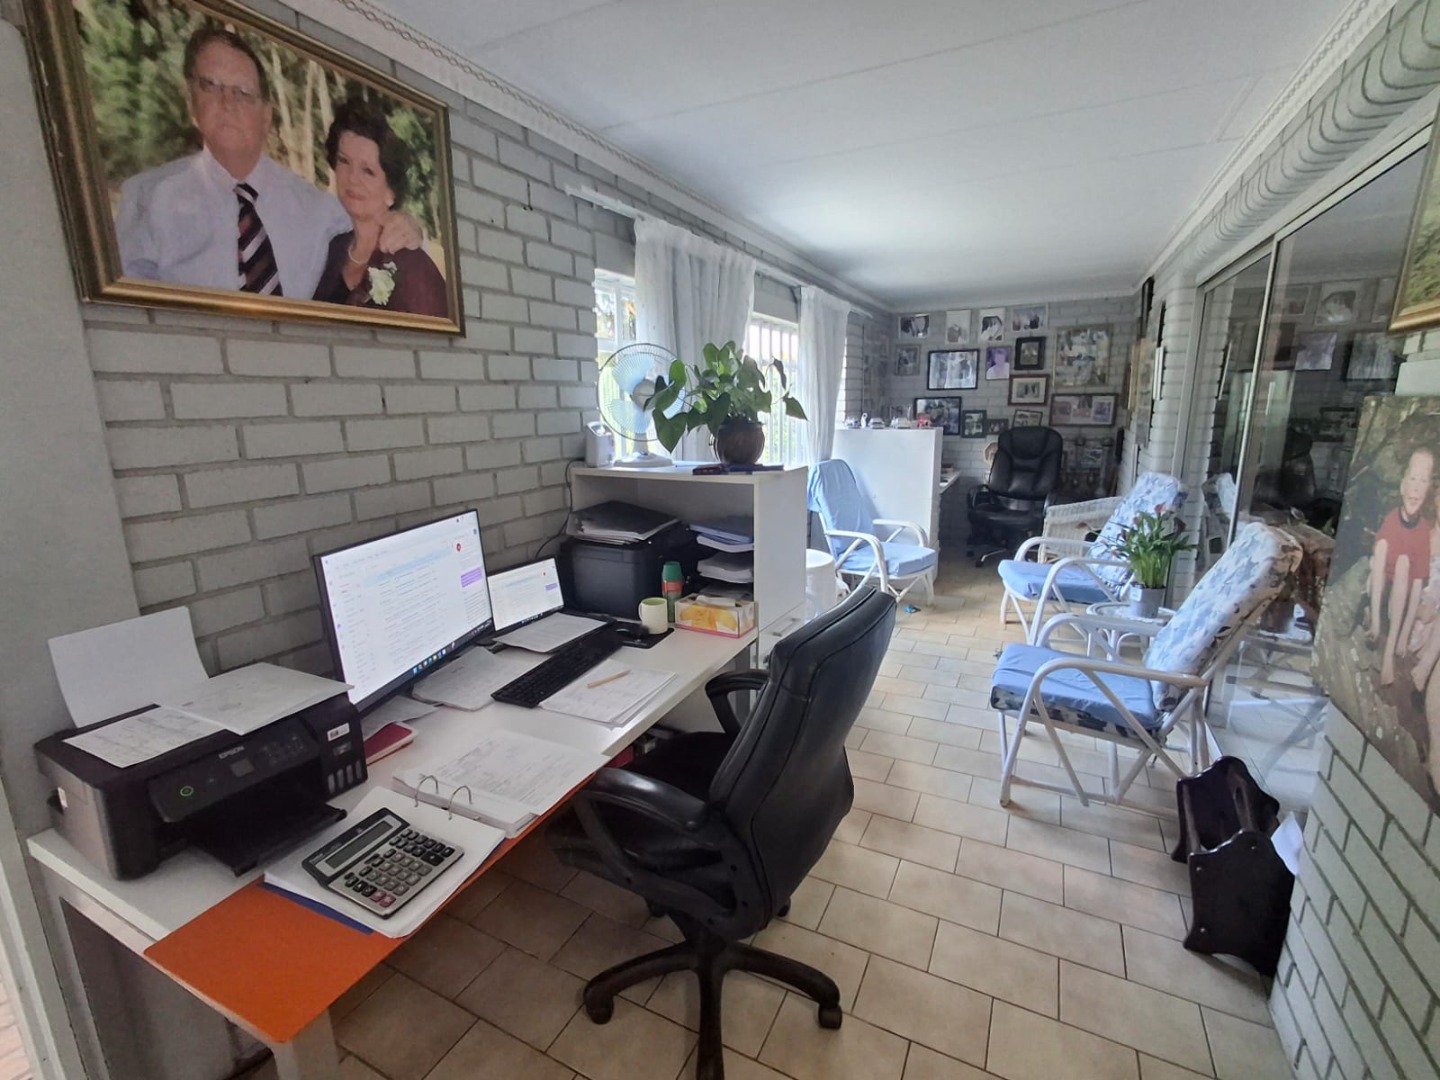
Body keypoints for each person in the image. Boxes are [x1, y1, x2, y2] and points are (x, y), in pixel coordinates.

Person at [114, 26, 420, 298]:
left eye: (244, 93)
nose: (228, 102)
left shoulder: (317, 209)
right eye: (211, 85)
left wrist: (411, 228)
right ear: (191, 102)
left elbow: (378, 221)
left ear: (266, 116)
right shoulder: (146, 199)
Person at [311, 101, 448, 316]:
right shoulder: (334, 248)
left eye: (368, 171)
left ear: (391, 192)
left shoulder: (411, 263)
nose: (352, 178)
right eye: (344, 161)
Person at [1367, 448, 1435, 685]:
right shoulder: (1391, 519)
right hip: (1380, 588)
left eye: (1423, 481)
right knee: (1381, 546)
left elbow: (1417, 586)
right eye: (1412, 479)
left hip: (1401, 599)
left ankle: (1388, 653)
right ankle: (1375, 623)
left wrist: (1405, 634)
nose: (1416, 488)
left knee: (1405, 563)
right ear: (1402, 486)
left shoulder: (1423, 531)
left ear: (1428, 490)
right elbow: (1377, 561)